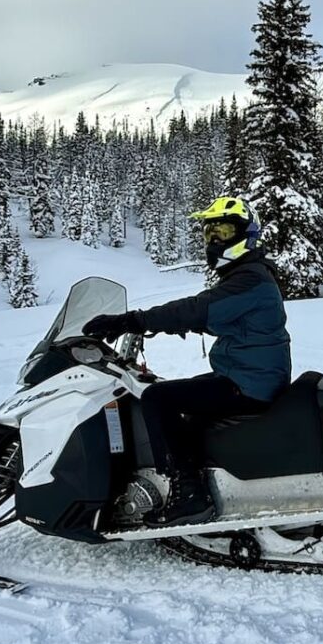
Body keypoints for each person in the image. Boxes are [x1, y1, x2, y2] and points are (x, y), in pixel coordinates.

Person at [82, 196, 291, 527]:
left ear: (245, 235)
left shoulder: (250, 279)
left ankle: (189, 495)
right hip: (249, 375)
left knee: (157, 398)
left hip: (250, 383)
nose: (214, 241)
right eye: (209, 234)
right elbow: (211, 316)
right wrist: (176, 324)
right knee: (179, 400)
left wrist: (132, 320)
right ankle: (202, 477)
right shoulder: (248, 275)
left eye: (221, 232)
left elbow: (198, 308)